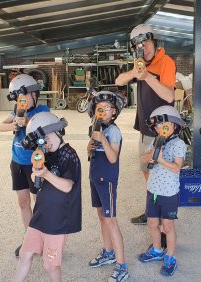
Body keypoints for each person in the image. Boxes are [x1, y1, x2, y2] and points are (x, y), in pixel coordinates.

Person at [115, 24, 176, 226]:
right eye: (139, 45)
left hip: (161, 132)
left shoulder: (165, 62)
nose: (144, 48)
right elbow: (119, 81)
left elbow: (169, 95)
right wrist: (135, 72)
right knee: (147, 173)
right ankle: (151, 212)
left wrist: (148, 76)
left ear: (154, 41)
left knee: (162, 177)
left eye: (147, 42)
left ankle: (162, 222)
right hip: (145, 128)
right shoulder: (139, 65)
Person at [13, 112, 82, 282]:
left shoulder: (69, 154)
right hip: (40, 215)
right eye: (42, 139)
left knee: (50, 265)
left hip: (56, 221)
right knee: (24, 254)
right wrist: (36, 173)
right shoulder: (45, 155)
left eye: (49, 136)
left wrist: (45, 173)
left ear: (59, 131)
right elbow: (37, 183)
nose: (47, 142)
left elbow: (67, 186)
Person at [0, 74, 50, 257]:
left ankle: (43, 238)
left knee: (39, 203)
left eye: (26, 96)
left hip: (34, 164)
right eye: (19, 98)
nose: (23, 101)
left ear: (34, 95)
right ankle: (30, 240)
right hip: (17, 162)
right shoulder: (16, 110)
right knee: (23, 202)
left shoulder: (42, 110)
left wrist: (26, 121)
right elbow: (0, 127)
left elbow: (45, 125)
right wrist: (14, 123)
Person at [138, 105, 186, 277]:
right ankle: (157, 250)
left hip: (169, 193)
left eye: (165, 124)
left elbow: (176, 168)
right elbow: (143, 158)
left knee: (168, 225)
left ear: (175, 126)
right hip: (153, 190)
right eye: (158, 125)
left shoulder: (179, 144)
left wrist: (160, 159)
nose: (161, 128)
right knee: (152, 223)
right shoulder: (154, 141)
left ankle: (170, 257)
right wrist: (151, 154)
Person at [86, 91, 129, 282]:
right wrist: (91, 145)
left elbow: (113, 158)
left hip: (107, 180)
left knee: (111, 220)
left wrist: (103, 139)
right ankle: (108, 252)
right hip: (95, 177)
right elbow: (89, 152)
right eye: (99, 108)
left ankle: (122, 266)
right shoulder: (95, 128)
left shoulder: (113, 132)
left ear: (114, 112)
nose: (103, 111)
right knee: (102, 217)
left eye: (107, 108)